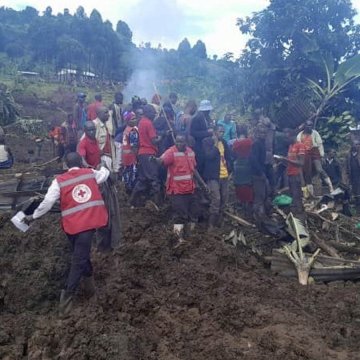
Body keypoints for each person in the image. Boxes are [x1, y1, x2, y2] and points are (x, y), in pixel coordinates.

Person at [23, 152, 110, 316]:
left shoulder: (59, 181)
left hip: (72, 227)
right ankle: (70, 298)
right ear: (82, 162)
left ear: (65, 165)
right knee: (80, 259)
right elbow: (105, 175)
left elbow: (48, 202)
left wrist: (33, 216)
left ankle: (83, 293)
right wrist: (102, 167)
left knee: (80, 257)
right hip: (88, 224)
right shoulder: (90, 173)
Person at [153, 135, 207, 246]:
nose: (179, 144)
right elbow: (162, 161)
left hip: (190, 189)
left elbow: (194, 170)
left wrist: (203, 184)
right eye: (177, 142)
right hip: (176, 190)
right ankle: (177, 239)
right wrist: (155, 160)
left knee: (194, 214)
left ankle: (191, 236)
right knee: (180, 215)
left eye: (181, 142)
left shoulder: (191, 152)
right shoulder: (171, 152)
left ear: (186, 142)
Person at [129, 104, 161, 207]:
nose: (154, 114)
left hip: (142, 153)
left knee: (142, 179)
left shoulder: (141, 122)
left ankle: (132, 201)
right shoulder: (148, 123)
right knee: (154, 179)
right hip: (149, 153)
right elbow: (154, 140)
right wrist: (164, 135)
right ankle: (157, 204)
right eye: (153, 112)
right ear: (148, 113)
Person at [297, 120, 334, 195]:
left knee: (319, 169)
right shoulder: (300, 135)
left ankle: (330, 186)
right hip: (305, 154)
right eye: (308, 125)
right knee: (308, 173)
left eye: (311, 125)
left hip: (314, 151)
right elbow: (299, 146)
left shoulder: (315, 133)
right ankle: (311, 193)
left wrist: (322, 155)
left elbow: (320, 144)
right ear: (305, 126)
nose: (310, 127)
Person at [279, 128, 306, 217]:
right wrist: (281, 160)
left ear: (293, 136)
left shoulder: (300, 146)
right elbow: (289, 160)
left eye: (287, 137)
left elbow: (301, 163)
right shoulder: (291, 146)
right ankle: (295, 212)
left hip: (296, 174)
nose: (286, 140)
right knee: (291, 194)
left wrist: (287, 160)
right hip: (290, 174)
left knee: (296, 195)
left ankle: (299, 214)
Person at [249, 125, 269, 224]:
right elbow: (253, 160)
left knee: (263, 194)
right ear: (257, 134)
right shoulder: (256, 144)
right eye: (261, 133)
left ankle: (260, 215)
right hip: (257, 174)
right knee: (259, 195)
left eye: (265, 133)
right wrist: (261, 173)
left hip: (261, 172)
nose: (263, 135)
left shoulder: (262, 143)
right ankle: (257, 217)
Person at [232, 125, 253, 216]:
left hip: (238, 165)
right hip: (248, 164)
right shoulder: (249, 141)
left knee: (239, 184)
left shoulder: (236, 143)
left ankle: (241, 203)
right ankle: (248, 206)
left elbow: (233, 153)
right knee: (247, 184)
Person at [190, 100, 213, 176]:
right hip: (199, 146)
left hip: (207, 146)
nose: (208, 111)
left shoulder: (208, 118)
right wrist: (207, 133)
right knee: (200, 165)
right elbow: (193, 133)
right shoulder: (197, 118)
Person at [121, 111, 139, 193]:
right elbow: (134, 146)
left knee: (127, 174)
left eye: (135, 118)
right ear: (128, 121)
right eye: (132, 119)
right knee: (132, 175)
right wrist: (137, 158)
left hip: (125, 157)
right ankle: (130, 192)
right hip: (131, 156)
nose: (135, 120)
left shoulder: (126, 129)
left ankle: (126, 189)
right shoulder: (132, 131)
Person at [347, 141, 360, 212]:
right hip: (352, 176)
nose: (357, 146)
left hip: (359, 175)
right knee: (354, 190)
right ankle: (356, 205)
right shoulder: (349, 155)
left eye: (358, 144)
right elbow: (346, 166)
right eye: (356, 144)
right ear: (352, 145)